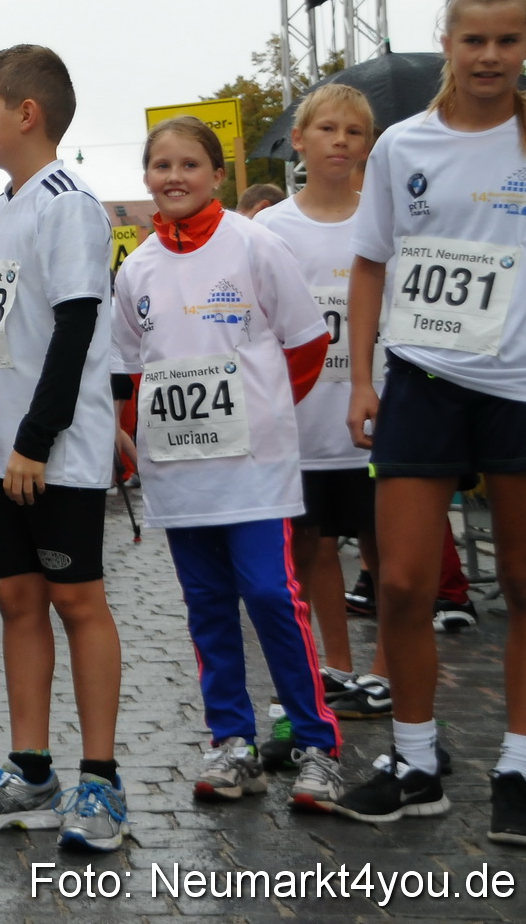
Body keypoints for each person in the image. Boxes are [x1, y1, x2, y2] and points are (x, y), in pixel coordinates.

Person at [338, 0, 526, 844]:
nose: (490, 56)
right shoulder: (401, 146)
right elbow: (370, 261)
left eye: (507, 39)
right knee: (402, 580)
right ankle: (416, 758)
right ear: (449, 44)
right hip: (422, 377)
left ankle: (520, 766)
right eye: (474, 40)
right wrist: (359, 376)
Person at [111, 115, 342, 813]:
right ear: (147, 177)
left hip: (252, 466)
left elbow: (304, 345)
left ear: (217, 174)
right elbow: (129, 373)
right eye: (161, 165)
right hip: (179, 474)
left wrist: (260, 409)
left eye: (189, 164)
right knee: (207, 605)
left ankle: (315, 743)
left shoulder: (255, 244)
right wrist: (135, 447)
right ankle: (230, 740)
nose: (174, 177)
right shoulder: (137, 266)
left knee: (271, 595)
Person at [0, 45, 127, 851]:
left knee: (77, 601)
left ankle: (101, 782)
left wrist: (35, 439)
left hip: (53, 452)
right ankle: (30, 770)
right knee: (17, 601)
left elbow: (76, 325)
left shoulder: (68, 203)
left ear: (26, 113)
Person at [251, 86, 392, 759]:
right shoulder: (270, 229)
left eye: (355, 131)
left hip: (377, 418)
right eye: (327, 128)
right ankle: (333, 664)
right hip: (301, 422)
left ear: (369, 144)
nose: (341, 140)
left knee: (390, 556)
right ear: (298, 140)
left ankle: (385, 672)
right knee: (311, 551)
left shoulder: (383, 220)